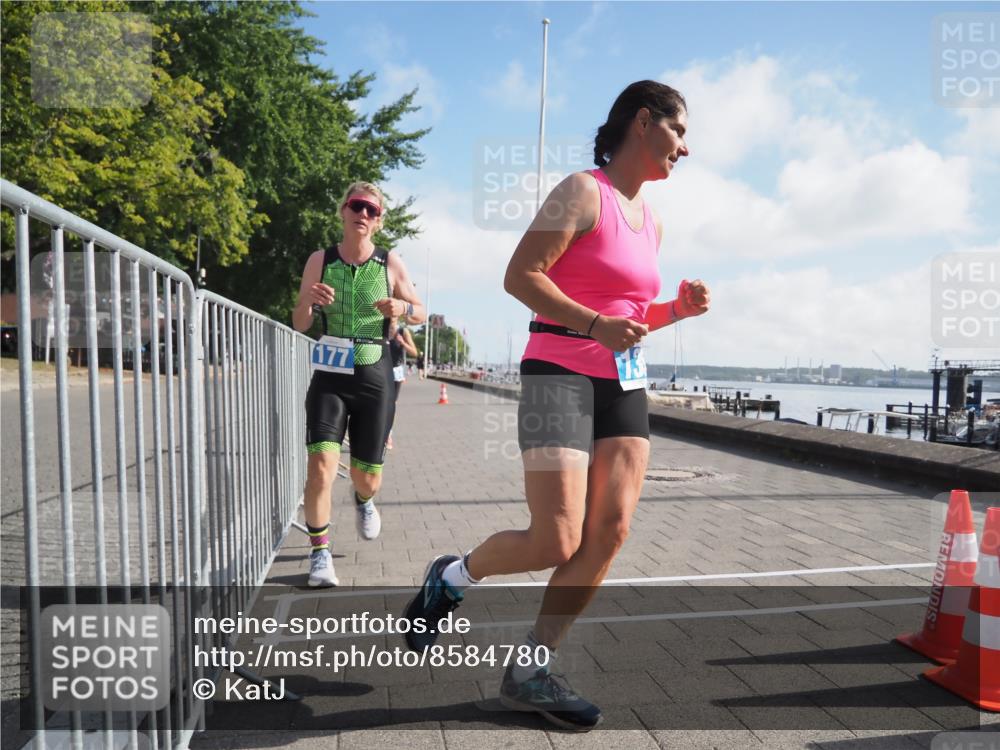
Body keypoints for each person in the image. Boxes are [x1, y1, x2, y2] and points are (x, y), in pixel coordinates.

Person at [402, 81, 710, 729]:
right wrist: (595, 325)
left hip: (623, 382)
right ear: (644, 122)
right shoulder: (581, 191)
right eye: (679, 132)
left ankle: (530, 670)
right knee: (556, 537)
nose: (686, 147)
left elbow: (627, 315)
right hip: (556, 375)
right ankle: (452, 576)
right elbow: (521, 276)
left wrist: (673, 311)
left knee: (610, 532)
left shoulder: (652, 218)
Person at [292, 181, 425, 587]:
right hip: (330, 375)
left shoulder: (389, 263)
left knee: (367, 476)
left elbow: (420, 311)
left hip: (373, 373)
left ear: (379, 220)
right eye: (356, 206)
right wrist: (309, 303)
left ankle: (365, 500)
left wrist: (402, 306)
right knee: (321, 467)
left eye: (371, 210)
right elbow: (300, 322)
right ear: (343, 212)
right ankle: (320, 555)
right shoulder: (320, 259)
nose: (362, 214)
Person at [386, 321, 418, 449]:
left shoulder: (403, 331)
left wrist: (403, 342)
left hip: (395, 372)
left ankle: (388, 436)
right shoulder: (380, 324)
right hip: (379, 369)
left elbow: (414, 352)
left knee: (390, 405)